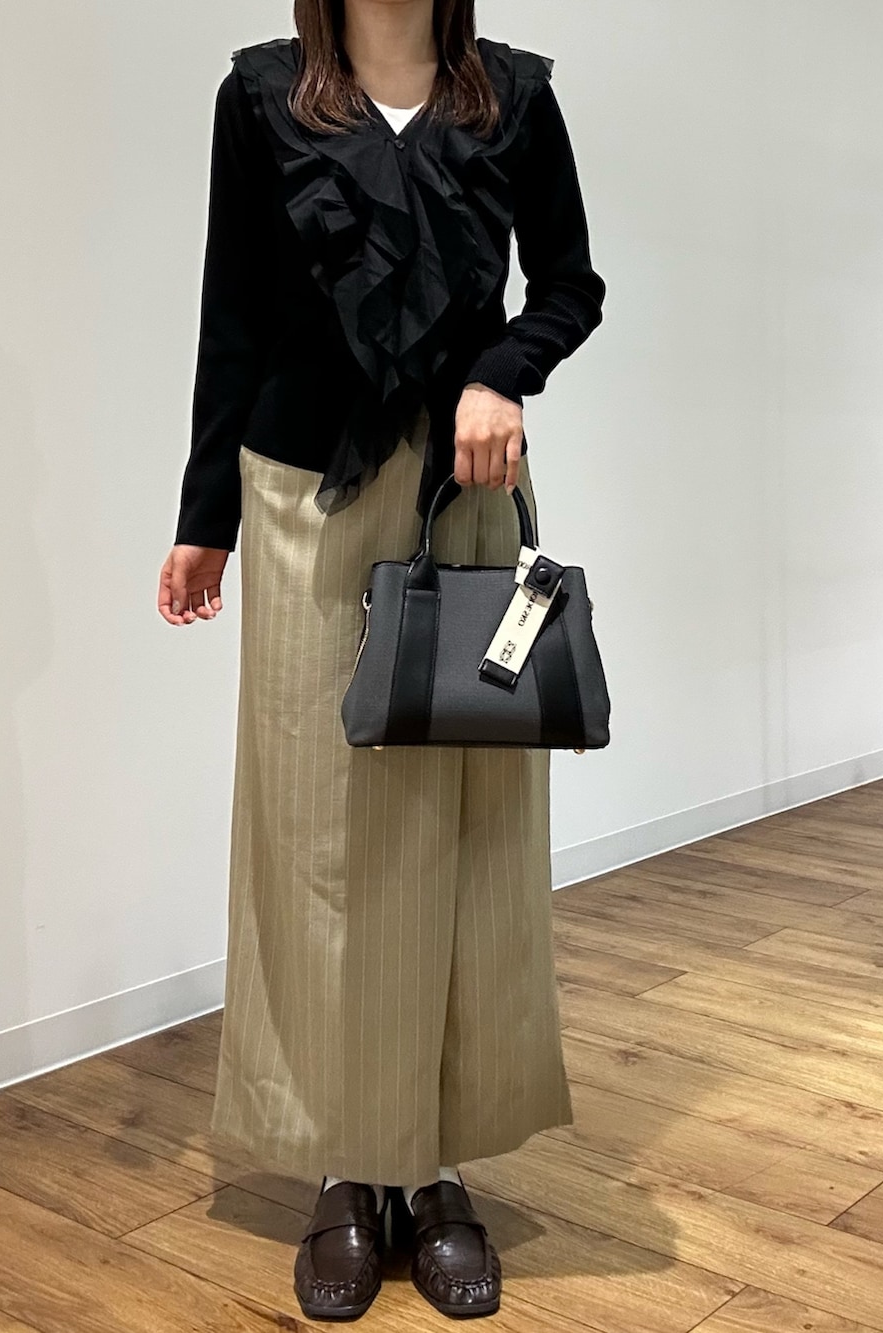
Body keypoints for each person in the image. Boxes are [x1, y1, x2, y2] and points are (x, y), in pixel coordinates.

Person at [157, 0, 605, 1320]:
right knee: (315, 840)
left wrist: (501, 373)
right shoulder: (261, 97)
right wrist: (203, 520)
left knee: (461, 837)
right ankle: (350, 1164)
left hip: (463, 508)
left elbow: (570, 285)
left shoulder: (513, 96)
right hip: (304, 502)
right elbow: (232, 314)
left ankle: (440, 1164)